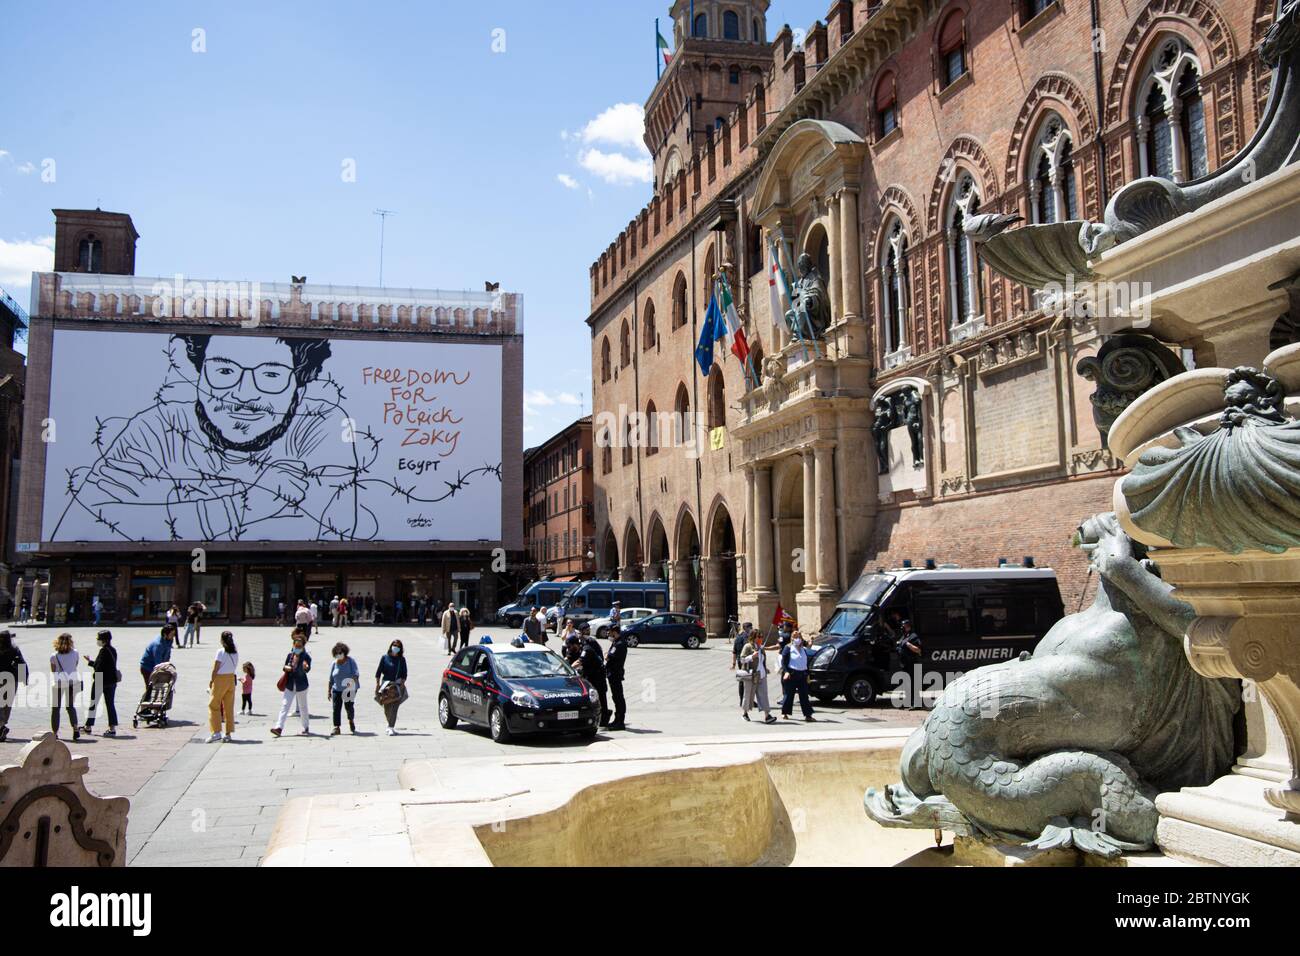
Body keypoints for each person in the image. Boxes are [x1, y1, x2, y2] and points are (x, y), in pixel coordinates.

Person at [271, 633, 312, 737]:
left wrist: (305, 667)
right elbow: (284, 667)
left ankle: (305, 727)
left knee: (303, 707)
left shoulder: (306, 657)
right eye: (295, 645)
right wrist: (287, 668)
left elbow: (307, 668)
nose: (297, 647)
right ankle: (279, 728)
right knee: (285, 706)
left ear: (303, 646)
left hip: (301, 685)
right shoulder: (290, 655)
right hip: (290, 684)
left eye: (299, 646)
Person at [81, 629, 119, 737]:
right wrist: (90, 662)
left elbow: (99, 667)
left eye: (99, 639)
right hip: (111, 681)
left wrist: (92, 665)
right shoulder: (113, 650)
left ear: (104, 640)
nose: (98, 641)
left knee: (94, 704)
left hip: (100, 680)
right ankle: (112, 728)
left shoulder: (103, 651)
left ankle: (88, 726)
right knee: (110, 704)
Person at [208, 630, 239, 742]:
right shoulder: (235, 653)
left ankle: (216, 732)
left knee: (214, 705)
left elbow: (215, 668)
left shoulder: (220, 652)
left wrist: (211, 680)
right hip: (231, 678)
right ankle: (228, 733)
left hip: (220, 679)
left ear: (222, 640)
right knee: (229, 707)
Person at [740, 632, 777, 723]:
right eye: (759, 637)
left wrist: (765, 668)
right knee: (748, 694)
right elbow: (742, 659)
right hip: (751, 675)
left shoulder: (761, 647)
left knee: (763, 695)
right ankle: (745, 713)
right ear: (753, 637)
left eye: (761, 636)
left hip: (762, 675)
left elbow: (762, 661)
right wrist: (751, 656)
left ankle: (767, 715)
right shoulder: (748, 646)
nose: (761, 638)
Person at [779, 629, 816, 722]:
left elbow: (808, 650)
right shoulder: (788, 648)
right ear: (792, 638)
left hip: (802, 674)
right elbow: (783, 661)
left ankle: (808, 715)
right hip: (792, 674)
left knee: (804, 695)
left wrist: (807, 674)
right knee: (789, 695)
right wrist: (786, 671)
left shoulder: (803, 648)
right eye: (795, 637)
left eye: (799, 637)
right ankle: (785, 713)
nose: (797, 639)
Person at [50, 633, 81, 740]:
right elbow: (75, 665)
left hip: (58, 683)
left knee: (56, 708)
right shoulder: (75, 653)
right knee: (70, 706)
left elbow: (53, 671)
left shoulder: (54, 656)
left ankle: (55, 732)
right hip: (72, 682)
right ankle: (75, 728)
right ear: (70, 642)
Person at [374, 639, 408, 736]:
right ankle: (390, 724)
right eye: (394, 645)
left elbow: (405, 673)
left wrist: (402, 683)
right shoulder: (384, 658)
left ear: (400, 649)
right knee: (387, 706)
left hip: (397, 685)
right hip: (386, 685)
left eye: (397, 646)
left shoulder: (402, 659)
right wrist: (377, 684)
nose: (395, 647)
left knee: (395, 707)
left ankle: (390, 727)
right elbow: (378, 672)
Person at [328, 642, 360, 735]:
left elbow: (356, 674)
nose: (339, 655)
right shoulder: (334, 663)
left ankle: (351, 720)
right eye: (337, 654)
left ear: (344, 653)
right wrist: (329, 691)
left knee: (349, 706)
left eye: (340, 653)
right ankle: (336, 727)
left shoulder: (351, 661)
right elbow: (331, 678)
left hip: (349, 688)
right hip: (336, 688)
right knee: (336, 708)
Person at [0, 630, 26, 742]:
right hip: (12, 679)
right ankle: (2, 724)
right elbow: (22, 663)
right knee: (7, 704)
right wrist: (23, 677)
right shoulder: (14, 649)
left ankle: (1, 726)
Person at [578, 633, 608, 727]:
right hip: (597, 678)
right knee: (601, 698)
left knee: (599, 698)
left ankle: (603, 719)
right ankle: (603, 718)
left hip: (597, 678)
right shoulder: (593, 650)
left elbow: (580, 661)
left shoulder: (587, 649)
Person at [896, 619, 923, 709]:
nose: (902, 627)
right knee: (907, 684)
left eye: (904, 626)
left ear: (908, 626)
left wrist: (908, 644)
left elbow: (918, 650)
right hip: (904, 664)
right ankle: (908, 702)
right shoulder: (904, 636)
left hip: (912, 663)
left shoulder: (913, 636)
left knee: (914, 684)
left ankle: (917, 704)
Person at [605, 627, 629, 730]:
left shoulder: (620, 644)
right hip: (612, 673)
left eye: (609, 631)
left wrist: (607, 655)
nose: (608, 633)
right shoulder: (616, 642)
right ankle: (617, 719)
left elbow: (608, 656)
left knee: (619, 697)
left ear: (614, 632)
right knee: (616, 697)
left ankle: (620, 722)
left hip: (616, 674)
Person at [140, 625, 176, 690]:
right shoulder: (158, 645)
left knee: (158, 688)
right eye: (172, 634)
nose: (173, 636)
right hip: (147, 668)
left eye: (174, 634)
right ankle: (147, 698)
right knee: (150, 688)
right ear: (165, 634)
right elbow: (158, 662)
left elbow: (168, 654)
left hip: (157, 666)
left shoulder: (169, 640)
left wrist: (167, 665)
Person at [730, 621, 754, 705]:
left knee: (742, 680)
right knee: (750, 680)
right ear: (746, 628)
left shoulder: (738, 637)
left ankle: (741, 700)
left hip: (740, 661)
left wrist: (733, 663)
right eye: (750, 627)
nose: (751, 629)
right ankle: (749, 701)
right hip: (747, 661)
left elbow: (734, 651)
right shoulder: (748, 638)